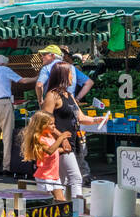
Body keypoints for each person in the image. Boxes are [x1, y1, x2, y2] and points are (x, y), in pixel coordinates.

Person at [41, 63, 102, 200]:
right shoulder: (52, 96)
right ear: (62, 75)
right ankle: (76, 211)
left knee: (61, 180)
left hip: (72, 141)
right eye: (70, 74)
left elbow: (80, 117)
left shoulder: (69, 95)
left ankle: (57, 208)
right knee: (75, 177)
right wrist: (61, 138)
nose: (72, 77)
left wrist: (97, 120)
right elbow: (44, 122)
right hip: (61, 144)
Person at [0, 54, 35, 174]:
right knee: (7, 136)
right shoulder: (6, 70)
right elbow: (23, 81)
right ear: (3, 63)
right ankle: (6, 167)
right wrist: (38, 78)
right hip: (5, 103)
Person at [22, 111, 72, 200]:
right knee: (46, 201)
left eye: (54, 123)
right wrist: (61, 138)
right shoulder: (39, 139)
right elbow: (49, 151)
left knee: (61, 200)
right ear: (42, 125)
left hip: (54, 175)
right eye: (51, 124)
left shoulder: (49, 135)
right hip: (45, 176)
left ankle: (59, 213)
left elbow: (54, 149)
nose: (54, 126)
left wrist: (63, 150)